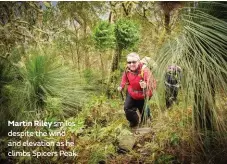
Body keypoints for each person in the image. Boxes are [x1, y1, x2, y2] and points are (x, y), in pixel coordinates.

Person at [118, 52, 156, 128]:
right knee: (127, 108)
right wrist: (121, 86)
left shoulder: (145, 70)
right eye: (129, 62)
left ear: (138, 61)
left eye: (134, 62)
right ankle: (134, 122)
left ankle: (146, 120)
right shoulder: (127, 69)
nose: (131, 64)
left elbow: (153, 84)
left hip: (143, 94)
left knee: (143, 110)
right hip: (132, 92)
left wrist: (146, 84)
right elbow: (124, 78)